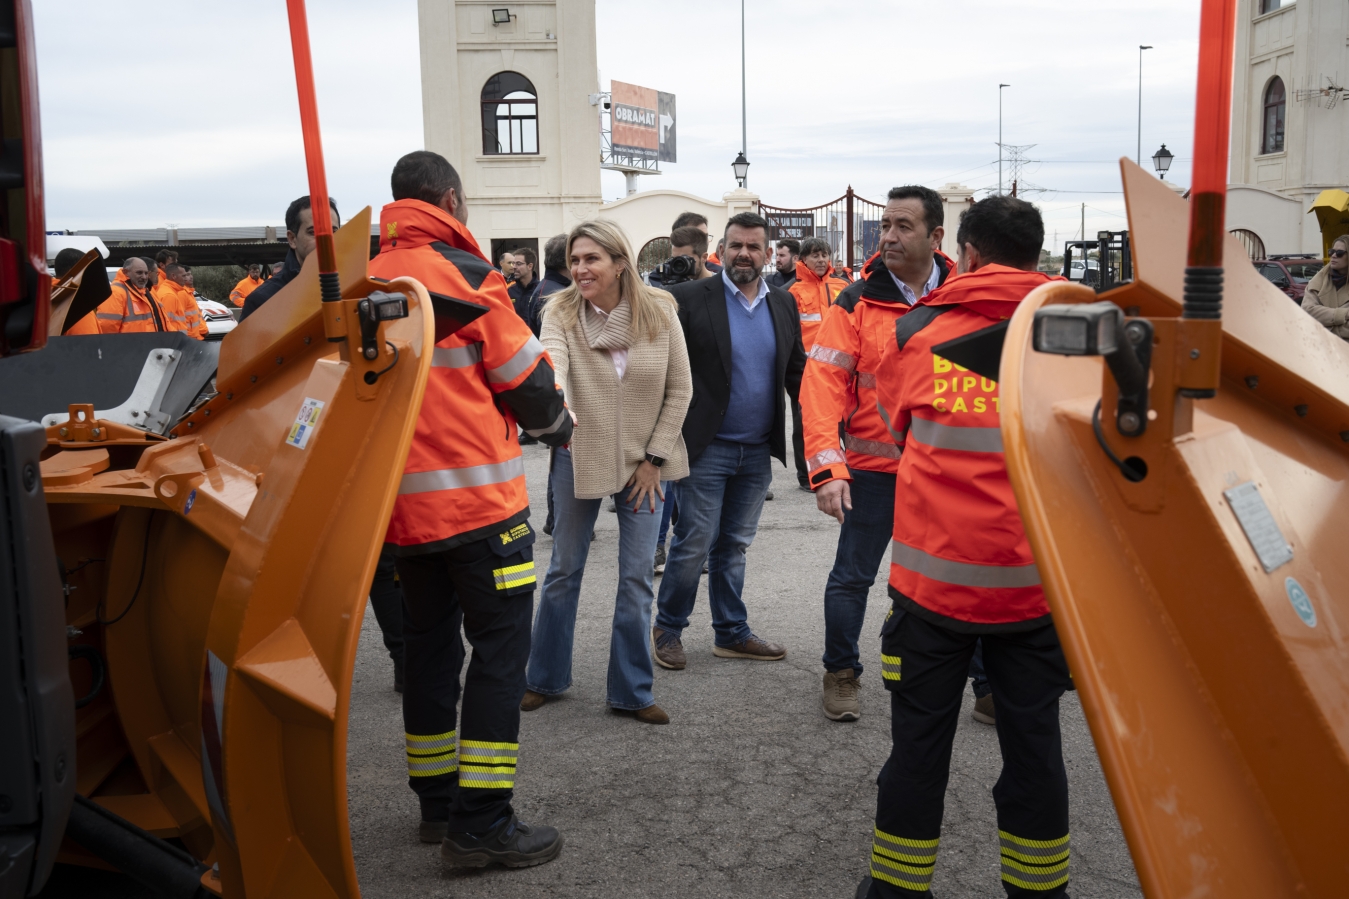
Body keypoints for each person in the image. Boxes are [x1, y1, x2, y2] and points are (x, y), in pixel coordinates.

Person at [856, 195, 1072, 899]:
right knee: (1034, 750)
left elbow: (895, 427)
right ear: (1036, 257)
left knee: (917, 750)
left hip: (931, 594)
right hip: (1036, 594)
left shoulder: (922, 329)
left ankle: (895, 890)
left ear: (968, 253)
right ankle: (1039, 892)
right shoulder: (1078, 333)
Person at [370, 149, 572, 870]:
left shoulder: (360, 282)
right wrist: (560, 430)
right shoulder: (465, 279)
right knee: (497, 657)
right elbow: (529, 384)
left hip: (395, 521)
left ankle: (435, 806)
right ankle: (481, 822)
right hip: (481, 513)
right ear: (451, 201)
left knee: (426, 652)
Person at [522, 220, 692, 724]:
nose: (580, 268)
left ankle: (633, 691)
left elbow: (680, 389)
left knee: (637, 578)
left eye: (591, 258)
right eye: (574, 260)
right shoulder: (561, 311)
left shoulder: (660, 310)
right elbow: (554, 369)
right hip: (582, 452)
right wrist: (561, 415)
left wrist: (654, 459)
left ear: (620, 263)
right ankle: (544, 677)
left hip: (646, 464)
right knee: (563, 571)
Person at [801, 186, 953, 721]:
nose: (888, 235)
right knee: (852, 577)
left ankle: (980, 679)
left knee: (958, 577)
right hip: (872, 472)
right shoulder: (856, 301)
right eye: (885, 225)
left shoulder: (962, 296)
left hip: (946, 473)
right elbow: (822, 386)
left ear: (936, 236)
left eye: (903, 226)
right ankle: (841, 672)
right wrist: (827, 469)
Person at [651, 212, 806, 670]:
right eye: (736, 245)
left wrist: (827, 419)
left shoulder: (783, 303)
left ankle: (731, 632)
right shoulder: (687, 298)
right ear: (721, 249)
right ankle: (668, 629)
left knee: (734, 544)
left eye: (754, 247)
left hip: (757, 449)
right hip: (706, 445)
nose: (744, 254)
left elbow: (797, 371)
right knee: (694, 542)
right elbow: (661, 369)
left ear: (766, 253)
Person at [788, 236, 850, 490]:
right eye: (815, 255)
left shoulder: (844, 287)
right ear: (803, 260)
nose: (822, 260)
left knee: (845, 421)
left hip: (841, 367)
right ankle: (807, 476)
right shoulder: (792, 292)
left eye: (825, 254)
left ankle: (845, 468)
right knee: (805, 422)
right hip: (807, 370)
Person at [240, 196, 342, 320]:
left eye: (334, 232)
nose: (326, 241)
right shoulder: (262, 301)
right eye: (313, 232)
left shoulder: (358, 288)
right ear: (292, 239)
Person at [69, 257, 167, 334]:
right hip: (129, 352)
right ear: (126, 272)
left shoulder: (144, 291)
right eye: (139, 273)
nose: (144, 277)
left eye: (146, 273)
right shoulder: (116, 292)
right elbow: (107, 328)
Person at [1301, 236, 1349, 340]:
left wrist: (1324, 326)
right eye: (1332, 251)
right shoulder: (1317, 282)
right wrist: (1344, 314)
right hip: (1321, 349)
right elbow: (1307, 312)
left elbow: (1314, 319)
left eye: (1339, 253)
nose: (1334, 255)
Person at [157, 262, 207, 339]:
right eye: (183, 276)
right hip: (179, 341)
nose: (186, 278)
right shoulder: (169, 295)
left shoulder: (172, 292)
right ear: (173, 276)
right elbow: (166, 324)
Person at [508, 247, 539, 320]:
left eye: (518, 264)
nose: (514, 267)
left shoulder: (540, 290)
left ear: (530, 266)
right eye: (513, 263)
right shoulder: (509, 290)